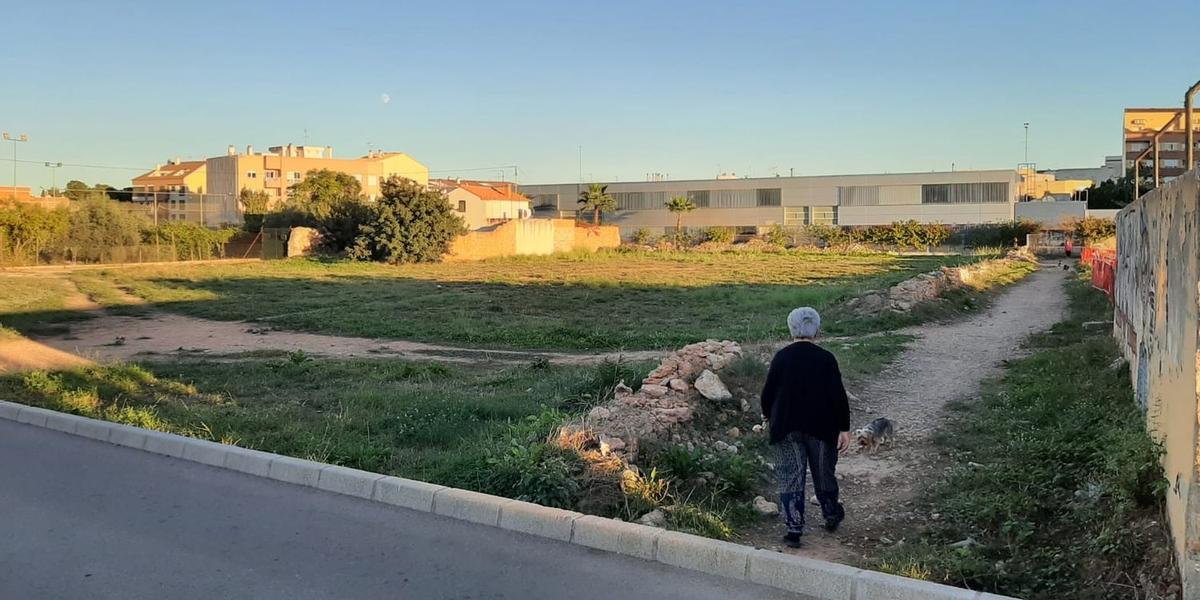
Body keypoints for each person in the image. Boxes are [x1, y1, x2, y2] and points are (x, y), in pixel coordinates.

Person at [760, 307, 850, 548]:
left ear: (791, 329)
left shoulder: (781, 357)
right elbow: (838, 396)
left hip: (786, 427)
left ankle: (793, 529)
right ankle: (831, 514)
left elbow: (768, 393)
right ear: (816, 329)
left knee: (790, 475)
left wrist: (767, 415)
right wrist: (844, 428)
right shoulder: (826, 358)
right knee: (823, 473)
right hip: (822, 427)